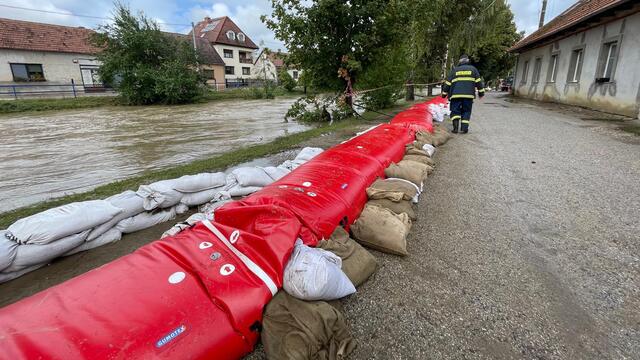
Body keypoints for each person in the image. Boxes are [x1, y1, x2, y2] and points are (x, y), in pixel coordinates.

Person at [441, 55, 485, 133]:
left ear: (460, 61)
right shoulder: (473, 70)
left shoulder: (455, 70)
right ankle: (464, 128)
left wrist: (444, 94)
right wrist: (481, 93)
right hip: (468, 96)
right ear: (468, 61)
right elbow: (479, 82)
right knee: (466, 111)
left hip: (455, 95)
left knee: (455, 110)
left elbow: (447, 83)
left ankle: (455, 128)